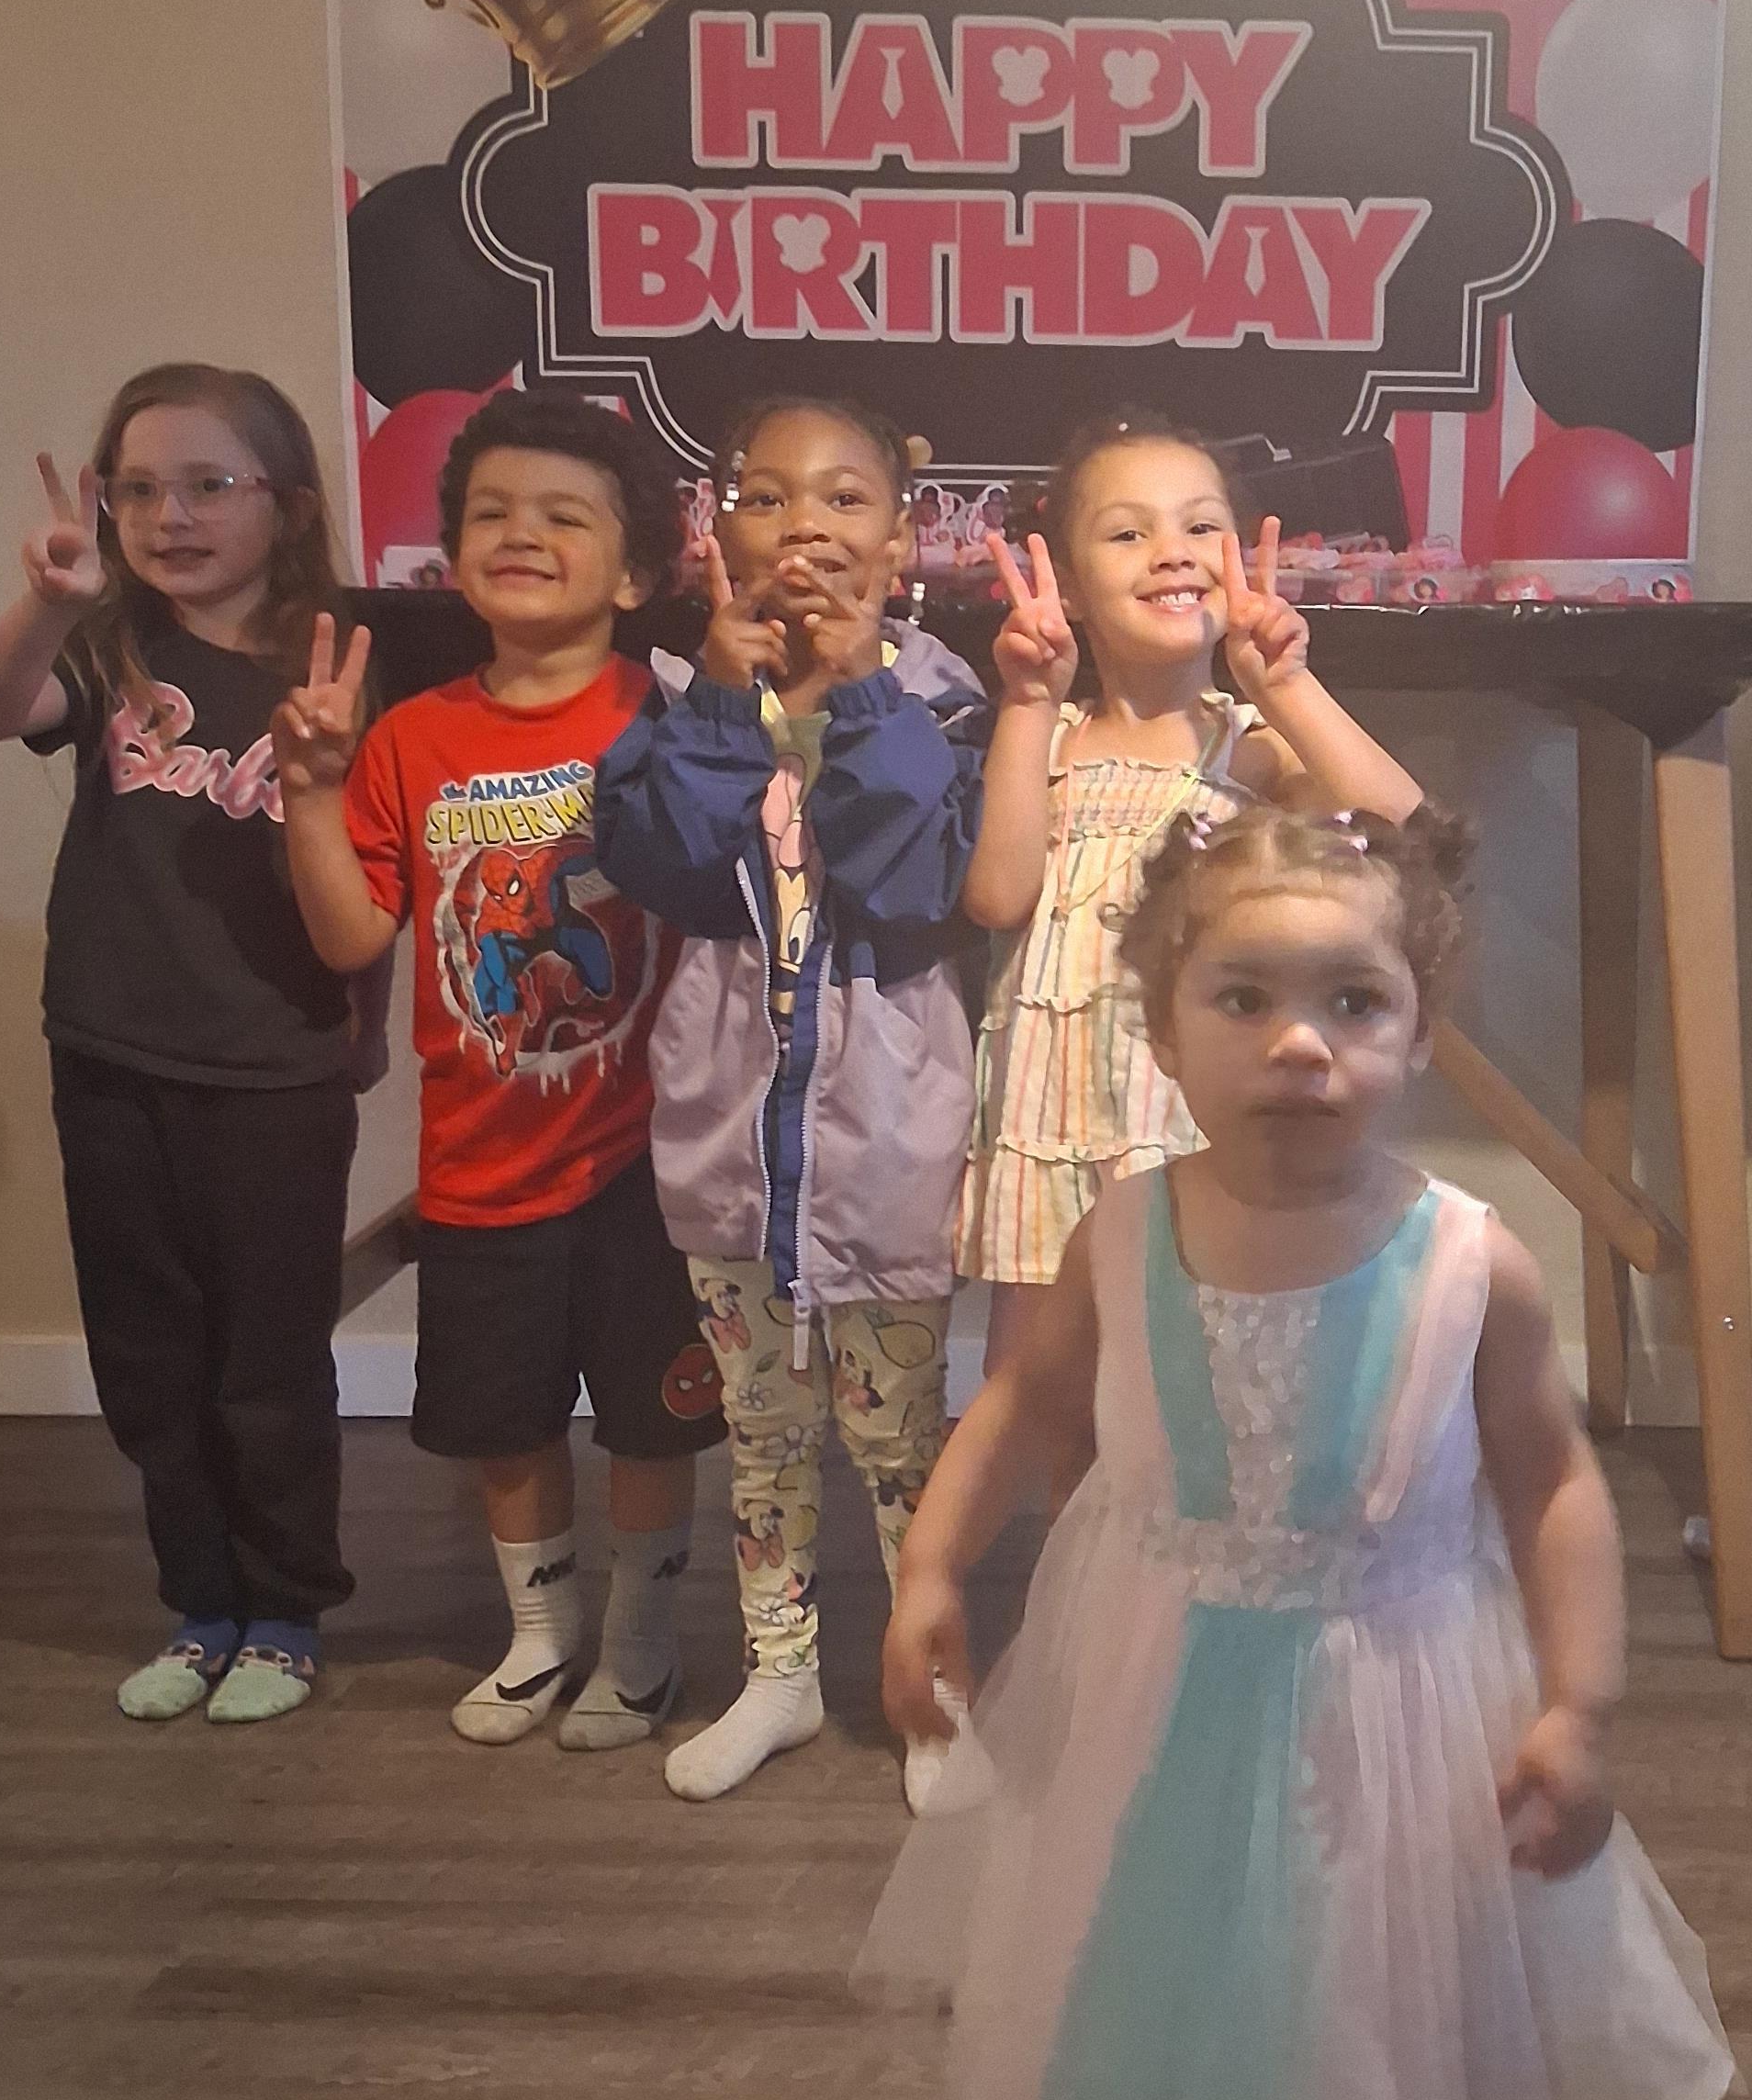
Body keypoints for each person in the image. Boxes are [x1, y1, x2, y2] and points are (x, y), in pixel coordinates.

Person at [865, 801, 1735, 2100]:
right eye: (1246, 999)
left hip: (1386, 1689)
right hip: (1156, 1679)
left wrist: (1581, 1704)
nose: (1299, 1047)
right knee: (1180, 1975)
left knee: (1351, 1981)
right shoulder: (1120, 1233)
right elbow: (1022, 1407)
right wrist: (927, 1572)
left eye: (1355, 1004)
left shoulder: (1473, 1265)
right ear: (1164, 1024)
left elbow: (1552, 1482)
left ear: (1420, 1031)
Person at [275, 389, 724, 1747]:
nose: (521, 533)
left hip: (651, 1164)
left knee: (652, 1422)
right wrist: (308, 788)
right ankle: (542, 1634)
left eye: (564, 516)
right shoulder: (412, 738)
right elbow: (353, 929)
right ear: (449, 553)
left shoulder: (670, 714)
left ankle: (641, 1639)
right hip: (479, 1167)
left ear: (635, 571)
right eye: (490, 514)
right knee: (502, 1421)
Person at [0, 365, 365, 1724]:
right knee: (150, 1355)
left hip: (276, 1068)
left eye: (206, 485)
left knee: (267, 1359)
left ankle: (286, 1610)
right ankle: (202, 1605)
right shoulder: (104, 647)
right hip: (113, 1055)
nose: (167, 514)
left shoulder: (343, 650)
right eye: (138, 487)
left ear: (287, 504)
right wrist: (50, 603)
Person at [594, 397, 988, 1812]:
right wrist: (718, 694)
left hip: (887, 1140)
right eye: (768, 497)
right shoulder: (690, 698)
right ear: (721, 530)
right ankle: (778, 1673)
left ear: (902, 538)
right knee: (760, 1429)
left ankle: (930, 1688)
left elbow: (915, 883)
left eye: (844, 500)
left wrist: (858, 692)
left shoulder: (941, 699)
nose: (805, 526)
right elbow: (661, 861)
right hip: (726, 1141)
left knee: (898, 1438)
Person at [955, 410, 1423, 1373]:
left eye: (1200, 527)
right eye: (1129, 533)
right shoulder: (1046, 739)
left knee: (1196, 1388)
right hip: (1048, 1128)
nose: (1172, 553)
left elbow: (1395, 834)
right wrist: (1027, 704)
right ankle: (1072, 1536)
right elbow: (998, 897)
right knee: (1042, 1397)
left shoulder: (1251, 743)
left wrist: (1289, 683)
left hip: (1188, 1123)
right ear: (1072, 584)